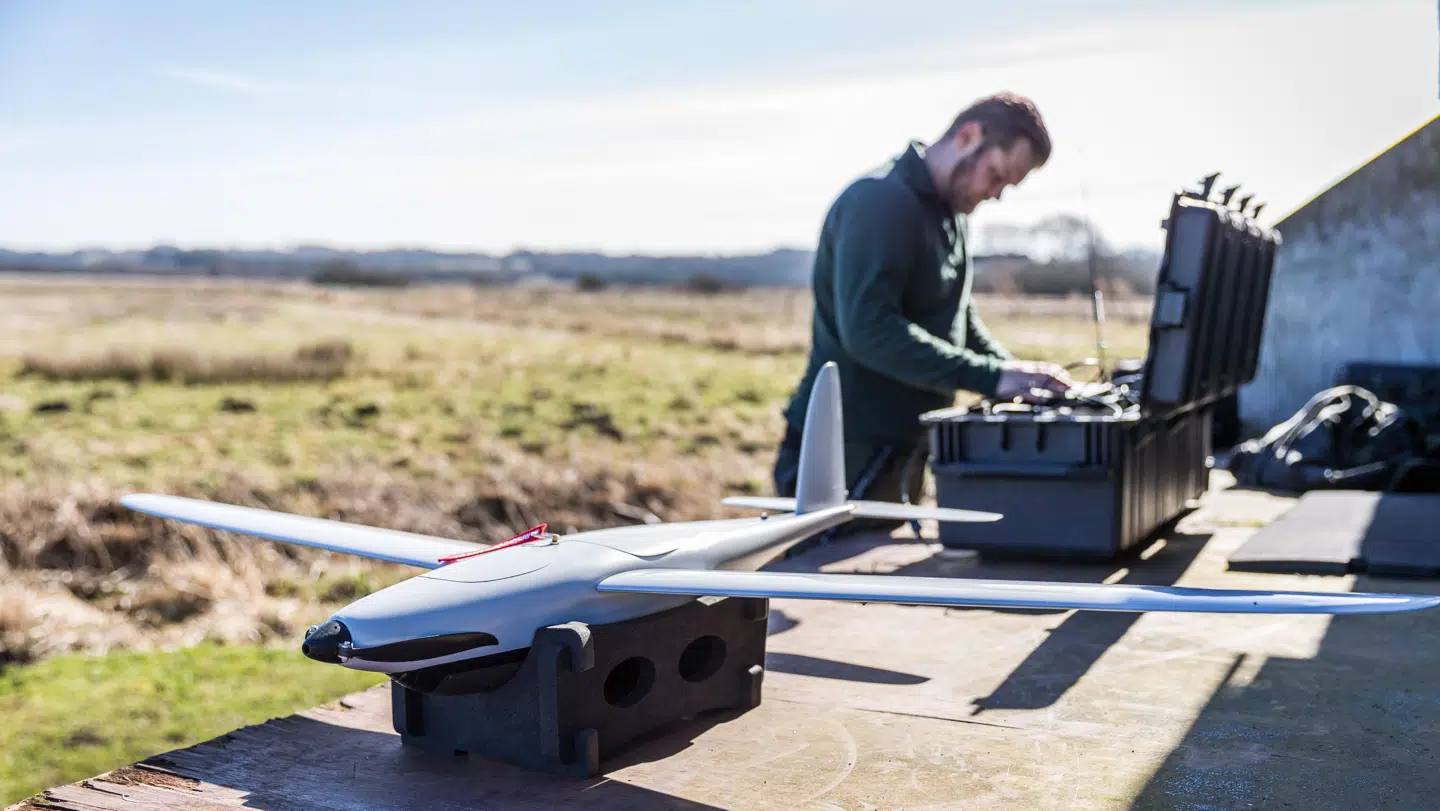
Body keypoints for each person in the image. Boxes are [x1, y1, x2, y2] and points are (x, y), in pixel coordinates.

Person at [773, 92, 1073, 531]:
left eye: (1007, 187)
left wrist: (1018, 375)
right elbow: (870, 330)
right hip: (845, 454)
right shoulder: (880, 201)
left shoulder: (951, 214)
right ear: (968, 137)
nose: (996, 195)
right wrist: (990, 378)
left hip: (904, 448)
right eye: (996, 176)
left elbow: (956, 318)